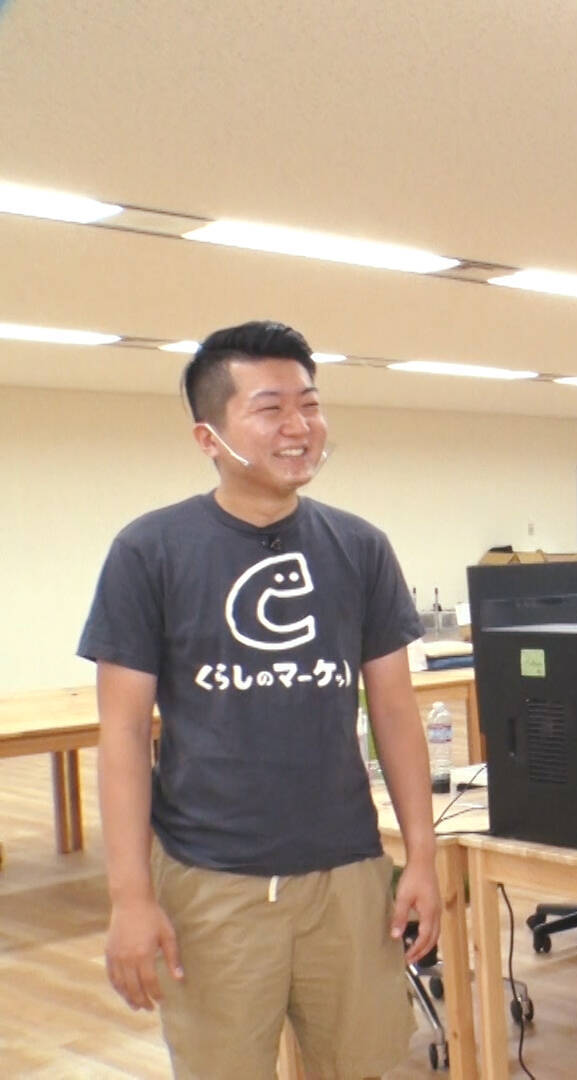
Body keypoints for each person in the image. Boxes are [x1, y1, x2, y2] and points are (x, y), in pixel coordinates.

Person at [80, 320, 440, 1078]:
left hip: (347, 872)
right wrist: (130, 897)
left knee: (364, 1065)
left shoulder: (360, 548)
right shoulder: (150, 552)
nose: (299, 427)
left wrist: (422, 857)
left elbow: (394, 712)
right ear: (208, 437)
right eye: (270, 409)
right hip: (212, 880)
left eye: (309, 405)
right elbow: (123, 735)